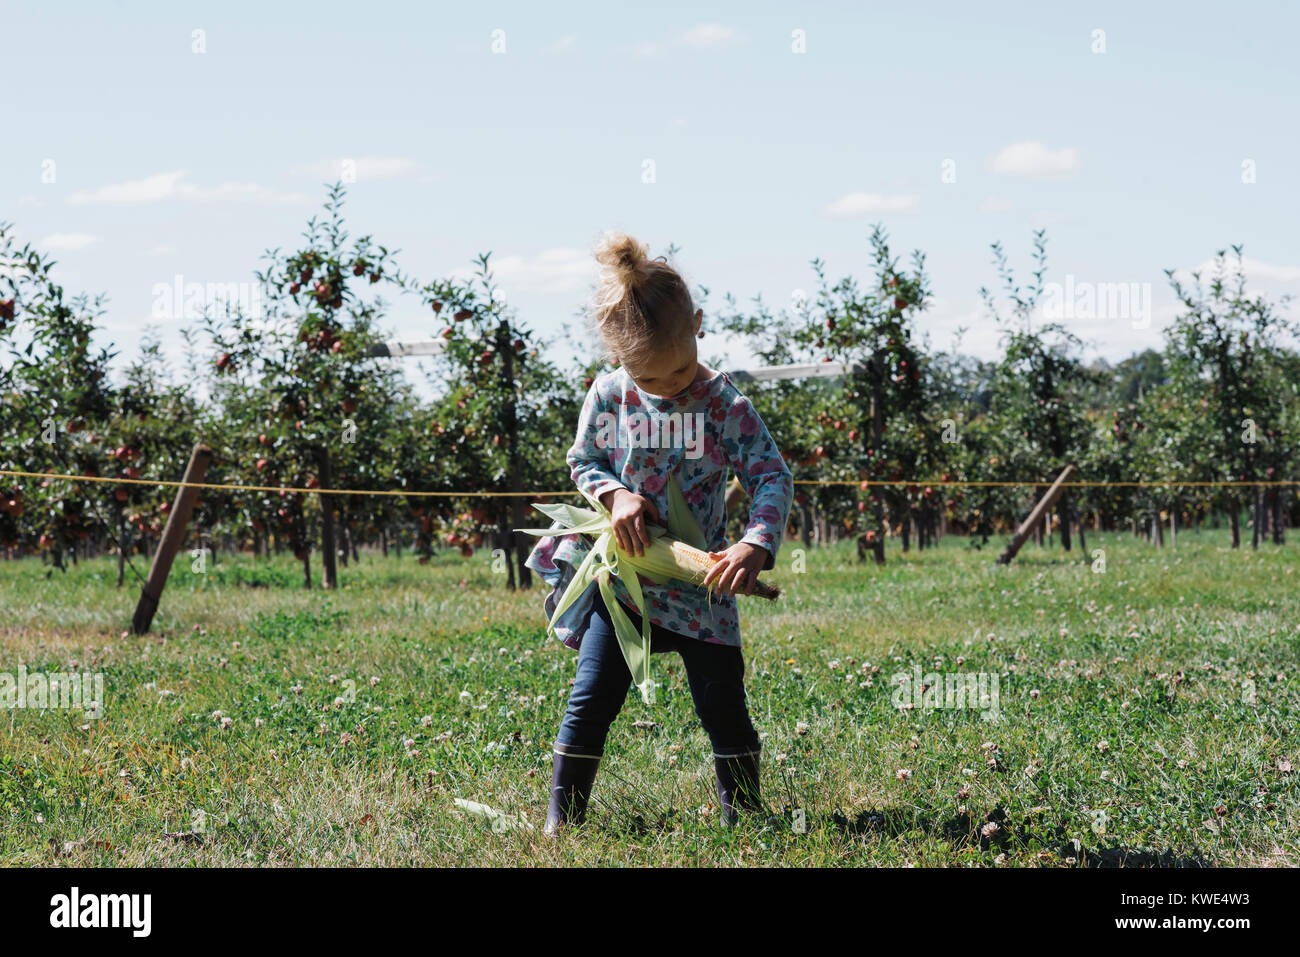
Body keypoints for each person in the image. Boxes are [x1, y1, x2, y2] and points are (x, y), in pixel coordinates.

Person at [525, 231, 793, 834]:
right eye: (650, 375)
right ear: (620, 359)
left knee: (722, 701)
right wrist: (615, 494)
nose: (669, 384)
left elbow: (770, 474)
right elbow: (583, 461)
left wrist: (755, 541)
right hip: (626, 581)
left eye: (679, 367)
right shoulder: (611, 394)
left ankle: (745, 814)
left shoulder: (724, 405)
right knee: (591, 697)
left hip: (705, 581)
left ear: (698, 324)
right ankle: (561, 821)